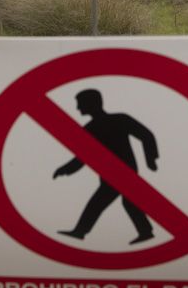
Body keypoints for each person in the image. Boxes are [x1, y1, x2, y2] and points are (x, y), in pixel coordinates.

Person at [53, 88, 158, 244]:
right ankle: (145, 231)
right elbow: (83, 157)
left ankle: (80, 231)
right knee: (128, 202)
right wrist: (66, 169)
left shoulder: (118, 119)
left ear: (92, 104)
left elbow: (146, 135)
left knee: (99, 202)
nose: (78, 108)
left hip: (123, 172)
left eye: (80, 104)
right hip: (111, 174)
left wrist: (151, 159)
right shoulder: (89, 129)